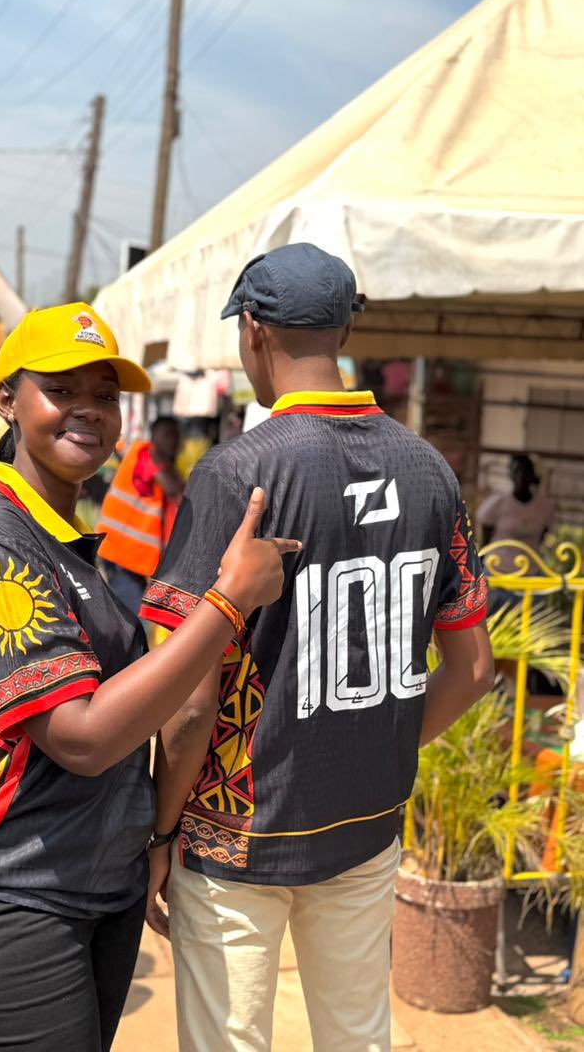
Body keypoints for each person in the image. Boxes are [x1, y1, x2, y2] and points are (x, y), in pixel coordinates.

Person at [0, 302, 298, 1052]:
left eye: (104, 395)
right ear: (8, 400)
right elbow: (82, 738)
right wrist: (229, 601)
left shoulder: (67, 545)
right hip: (3, 898)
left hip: (88, 887)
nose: (88, 411)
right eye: (62, 389)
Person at [142, 243, 495, 1052]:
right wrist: (371, 746)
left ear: (256, 330)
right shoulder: (429, 469)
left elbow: (192, 703)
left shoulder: (239, 475)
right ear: (341, 329)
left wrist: (161, 832)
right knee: (358, 1035)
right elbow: (473, 669)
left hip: (239, 831)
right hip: (366, 819)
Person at [97, 415, 183, 614]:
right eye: (169, 434)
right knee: (130, 621)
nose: (175, 440)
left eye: (177, 435)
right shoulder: (146, 453)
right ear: (155, 435)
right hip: (121, 553)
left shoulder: (159, 460)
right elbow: (174, 489)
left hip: (132, 556)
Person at [478, 453, 554, 552]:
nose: (521, 476)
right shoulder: (497, 503)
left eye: (525, 472)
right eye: (516, 471)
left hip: (530, 565)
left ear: (532, 475)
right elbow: (484, 538)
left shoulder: (544, 507)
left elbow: (544, 535)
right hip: (496, 564)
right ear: (511, 474)